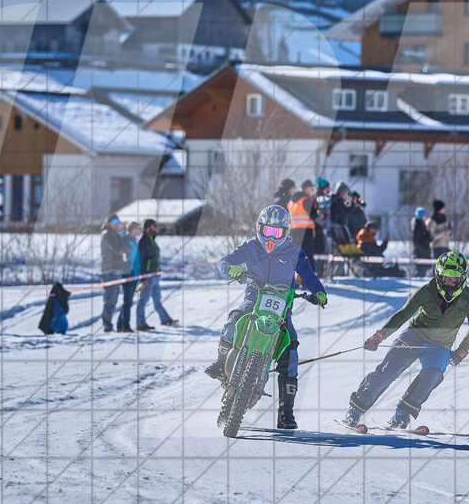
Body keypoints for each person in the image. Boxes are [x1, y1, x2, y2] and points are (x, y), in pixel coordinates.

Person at [205, 205, 328, 430]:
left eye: (276, 232)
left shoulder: (295, 252)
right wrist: (231, 270)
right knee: (233, 321)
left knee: (290, 350)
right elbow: (223, 262)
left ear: (286, 233)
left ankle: (286, 413)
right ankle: (221, 363)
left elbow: (309, 277)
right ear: (259, 228)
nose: (271, 237)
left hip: (282, 309)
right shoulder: (250, 248)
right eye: (267, 231)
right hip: (253, 300)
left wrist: (319, 292)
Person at [343, 251, 469, 430]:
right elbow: (404, 313)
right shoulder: (426, 291)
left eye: (453, 279)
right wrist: (380, 335)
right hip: (414, 335)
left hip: (440, 346)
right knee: (388, 370)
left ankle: (402, 414)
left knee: (433, 375)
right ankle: (355, 410)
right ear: (438, 275)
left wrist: (463, 350)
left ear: (463, 278)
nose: (448, 283)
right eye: (445, 278)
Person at [137, 219, 176, 329]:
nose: (156, 228)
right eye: (154, 226)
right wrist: (142, 277)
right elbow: (140, 260)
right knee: (143, 300)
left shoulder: (152, 240)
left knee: (157, 298)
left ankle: (165, 319)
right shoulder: (144, 241)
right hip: (148, 276)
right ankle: (140, 323)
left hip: (155, 275)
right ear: (148, 227)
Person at [100, 214, 130, 333]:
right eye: (115, 221)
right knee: (110, 299)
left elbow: (125, 246)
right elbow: (118, 249)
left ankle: (108, 325)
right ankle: (107, 326)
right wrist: (125, 247)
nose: (117, 223)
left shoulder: (115, 233)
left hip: (117, 269)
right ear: (109, 222)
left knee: (114, 299)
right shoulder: (107, 234)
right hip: (110, 270)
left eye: (118, 221)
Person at [117, 222, 142, 332]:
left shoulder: (134, 241)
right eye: (137, 229)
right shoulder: (125, 239)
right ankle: (125, 326)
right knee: (128, 302)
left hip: (135, 274)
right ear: (132, 229)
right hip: (128, 273)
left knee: (128, 301)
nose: (139, 231)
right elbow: (122, 255)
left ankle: (119, 325)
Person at [287, 179, 318, 265]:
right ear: (306, 189)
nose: (312, 191)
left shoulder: (291, 201)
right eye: (311, 188)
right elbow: (314, 214)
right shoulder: (306, 200)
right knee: (308, 255)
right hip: (306, 232)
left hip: (294, 231)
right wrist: (314, 201)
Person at [411, 207, 431, 278]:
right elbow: (416, 241)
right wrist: (423, 250)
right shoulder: (418, 226)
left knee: (422, 273)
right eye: (425, 215)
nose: (426, 217)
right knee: (420, 274)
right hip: (420, 254)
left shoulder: (423, 225)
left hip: (423, 254)